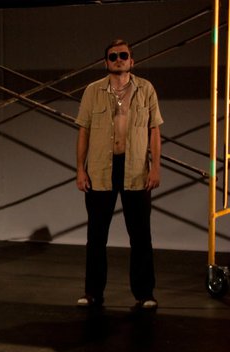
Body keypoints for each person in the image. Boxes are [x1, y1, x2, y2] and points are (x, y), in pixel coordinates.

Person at [75, 39, 163, 310]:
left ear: (132, 61)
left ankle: (145, 294)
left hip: (135, 169)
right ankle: (93, 293)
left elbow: (154, 130)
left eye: (123, 55)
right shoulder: (93, 91)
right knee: (96, 235)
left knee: (140, 235)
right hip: (100, 169)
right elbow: (83, 130)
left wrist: (155, 167)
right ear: (106, 62)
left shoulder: (145, 89)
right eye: (113, 56)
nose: (118, 60)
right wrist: (80, 169)